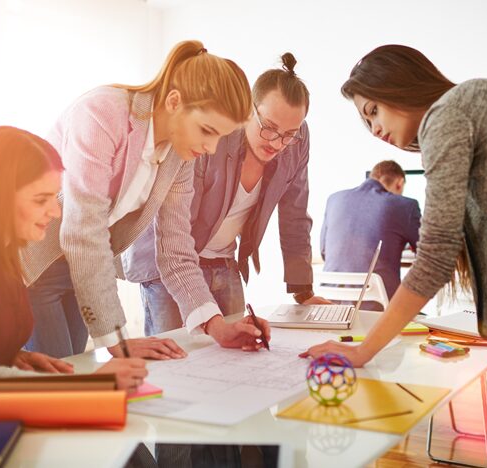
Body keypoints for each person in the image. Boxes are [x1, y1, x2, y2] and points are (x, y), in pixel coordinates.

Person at [21, 40, 271, 359]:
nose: (211, 147)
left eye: (219, 137)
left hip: (81, 274)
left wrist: (217, 325)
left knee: (74, 375)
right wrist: (118, 341)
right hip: (35, 268)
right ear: (174, 101)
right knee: (56, 387)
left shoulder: (179, 154)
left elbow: (175, 250)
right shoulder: (102, 113)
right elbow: (82, 232)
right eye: (207, 130)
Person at [302, 44, 487, 365]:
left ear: (397, 85)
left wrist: (363, 350)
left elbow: (435, 257)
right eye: (366, 123)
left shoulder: (446, 116)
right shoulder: (471, 103)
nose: (375, 130)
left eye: (373, 111)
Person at [0, 126, 146, 389]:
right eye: (41, 200)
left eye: (55, 198)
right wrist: (84, 383)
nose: (56, 212)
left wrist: (13, 357)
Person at [123, 53, 330, 336]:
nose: (277, 143)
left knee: (234, 355)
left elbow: (295, 215)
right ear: (248, 111)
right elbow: (176, 228)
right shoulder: (214, 136)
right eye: (268, 127)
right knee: (176, 358)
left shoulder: (297, 142)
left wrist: (303, 291)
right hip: (169, 266)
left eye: (289, 134)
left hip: (225, 262)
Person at [319, 160, 421, 308]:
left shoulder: (334, 199)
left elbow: (324, 252)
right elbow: (426, 254)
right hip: (379, 305)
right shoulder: (406, 205)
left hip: (331, 302)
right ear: (399, 182)